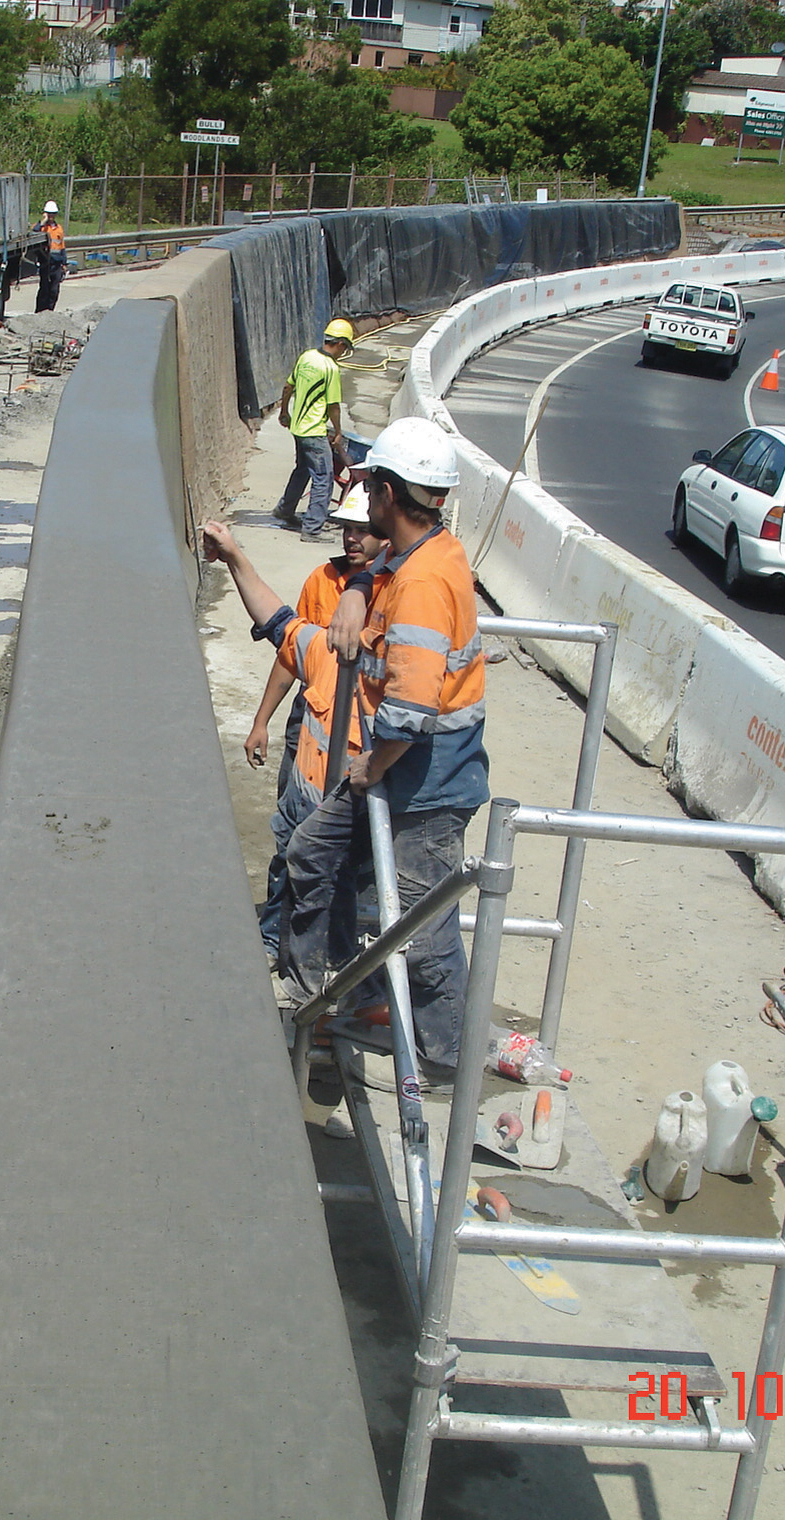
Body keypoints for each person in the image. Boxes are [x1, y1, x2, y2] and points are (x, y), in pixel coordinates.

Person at [283, 416, 485, 1088]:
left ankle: (443, 1062)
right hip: (398, 772)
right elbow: (386, 569)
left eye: (370, 488)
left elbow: (412, 706)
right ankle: (325, 984)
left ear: (391, 495)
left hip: (422, 782)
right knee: (313, 853)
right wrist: (360, 586)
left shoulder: (426, 583)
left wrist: (366, 768)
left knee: (424, 934)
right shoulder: (419, 555)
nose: (362, 500)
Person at [235, 487, 386, 961]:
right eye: (347, 528)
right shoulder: (323, 581)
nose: (352, 538)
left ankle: (335, 950)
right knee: (292, 835)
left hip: (362, 736)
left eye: (363, 530)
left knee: (348, 857)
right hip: (315, 718)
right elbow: (294, 650)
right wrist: (262, 721)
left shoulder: (393, 591)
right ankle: (275, 936)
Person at [275, 319, 355, 542]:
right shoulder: (330, 368)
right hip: (314, 432)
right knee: (324, 477)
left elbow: (288, 386)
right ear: (339, 343)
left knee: (302, 470)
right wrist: (338, 432)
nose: (344, 352)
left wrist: (285, 412)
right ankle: (311, 529)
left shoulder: (307, 357)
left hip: (298, 428)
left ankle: (285, 509)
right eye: (345, 347)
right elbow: (333, 406)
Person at [33, 200, 67, 313]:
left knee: (54, 290)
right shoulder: (42, 227)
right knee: (44, 289)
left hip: (56, 264)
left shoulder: (59, 229)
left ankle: (50, 311)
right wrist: (43, 221)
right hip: (45, 263)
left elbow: (62, 246)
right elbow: (34, 232)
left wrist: (64, 263)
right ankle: (39, 311)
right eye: (49, 213)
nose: (51, 216)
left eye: (53, 214)